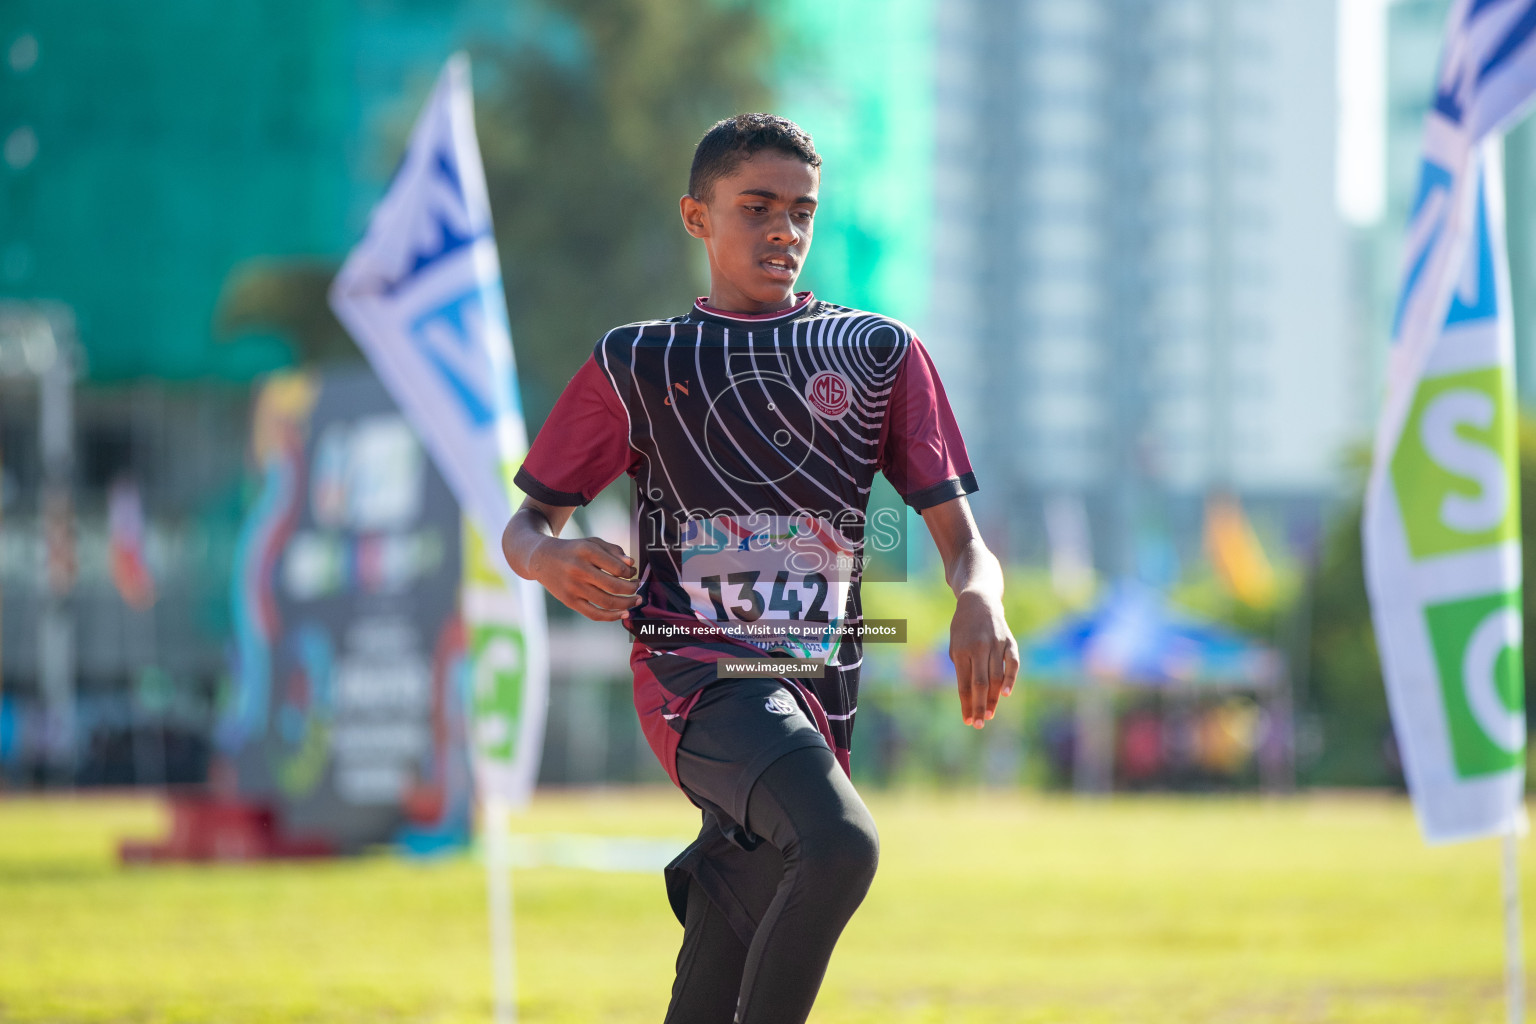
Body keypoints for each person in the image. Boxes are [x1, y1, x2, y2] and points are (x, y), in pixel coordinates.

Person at [502, 112, 1018, 1024]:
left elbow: (964, 540)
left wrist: (979, 597)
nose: (784, 229)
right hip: (696, 676)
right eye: (757, 207)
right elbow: (527, 522)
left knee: (724, 957)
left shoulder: (879, 355)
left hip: (818, 689)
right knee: (838, 846)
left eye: (802, 212)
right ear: (697, 218)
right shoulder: (639, 361)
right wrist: (550, 558)